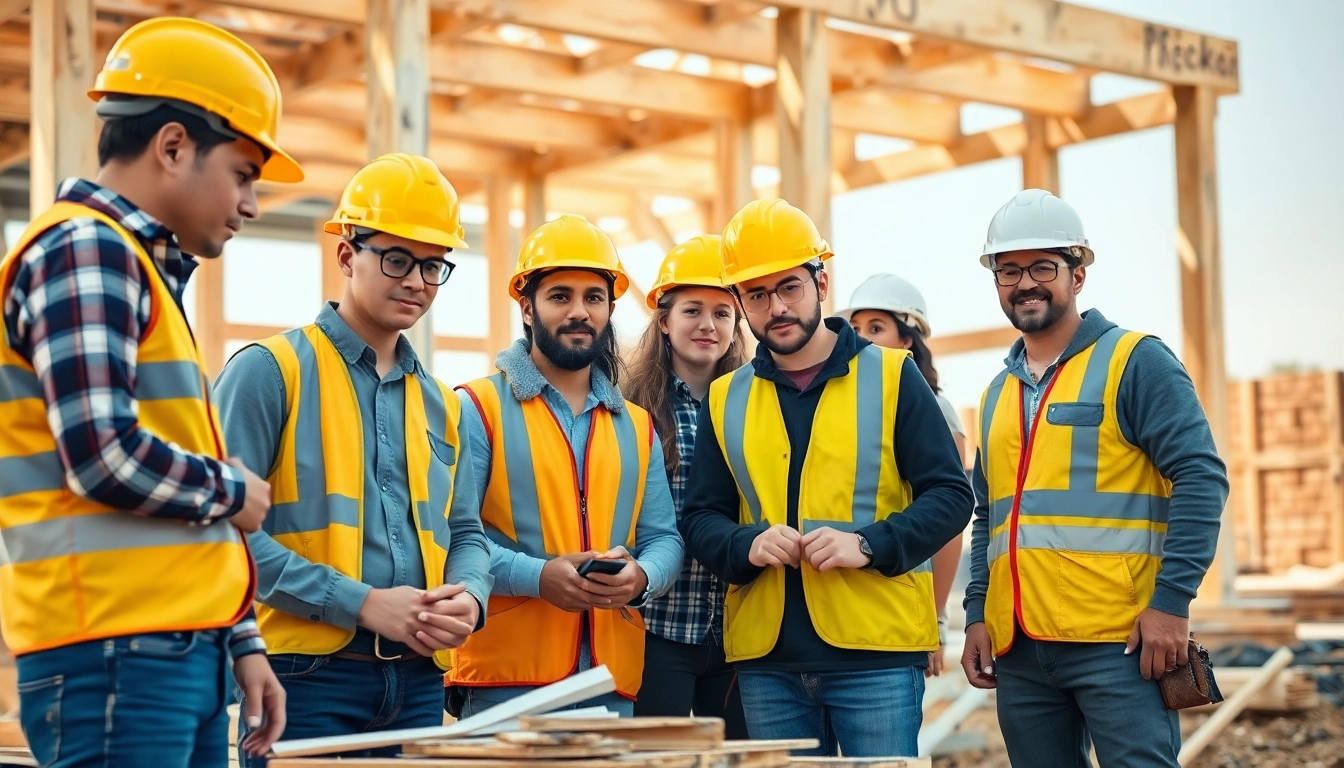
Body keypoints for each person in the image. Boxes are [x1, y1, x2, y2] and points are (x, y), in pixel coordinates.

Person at [0, 17, 301, 766]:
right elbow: (102, 455)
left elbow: (169, 498)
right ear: (172, 147)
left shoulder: (135, 271)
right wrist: (234, 490)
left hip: (164, 652)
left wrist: (241, 639)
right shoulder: (86, 251)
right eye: (243, 174)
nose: (252, 203)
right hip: (115, 651)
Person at [213, 154, 492, 764]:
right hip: (301, 676)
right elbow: (223, 538)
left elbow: (467, 532)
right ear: (346, 255)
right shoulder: (269, 372)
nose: (417, 281)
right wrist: (361, 603)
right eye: (397, 259)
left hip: (420, 680)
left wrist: (471, 595)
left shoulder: (443, 404)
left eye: (433, 265)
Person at [679, 199, 973, 757]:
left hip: (877, 655)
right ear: (740, 302)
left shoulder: (892, 375)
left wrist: (868, 543)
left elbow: (952, 495)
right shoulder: (726, 396)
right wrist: (746, 543)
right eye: (756, 295)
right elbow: (700, 517)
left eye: (789, 287)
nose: (776, 307)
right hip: (767, 662)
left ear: (821, 282)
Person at [959, 189, 1229, 767]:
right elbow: (989, 517)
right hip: (1020, 650)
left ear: (1077, 274)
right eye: (1009, 270)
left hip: (1121, 643)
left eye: (1042, 267)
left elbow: (1200, 477)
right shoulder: (996, 394)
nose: (1024, 283)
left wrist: (1172, 603)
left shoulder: (1136, 361)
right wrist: (977, 612)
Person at [447, 215, 684, 717]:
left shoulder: (637, 425)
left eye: (593, 298)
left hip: (610, 682)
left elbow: (665, 538)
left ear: (610, 310)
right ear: (527, 308)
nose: (579, 311)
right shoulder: (477, 408)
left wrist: (641, 577)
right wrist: (537, 577)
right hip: (505, 683)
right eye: (560, 296)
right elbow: (450, 536)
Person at [623, 236, 749, 736]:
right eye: (692, 310)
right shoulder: (631, 407)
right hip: (657, 627)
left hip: (738, 629)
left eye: (722, 313)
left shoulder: (753, 404)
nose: (708, 325)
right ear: (663, 320)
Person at [836, 273, 969, 676]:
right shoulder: (847, 408)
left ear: (907, 340)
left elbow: (948, 524)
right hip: (850, 609)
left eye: (876, 328)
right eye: (855, 328)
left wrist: (936, 619)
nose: (861, 338)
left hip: (902, 611)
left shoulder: (935, 411)